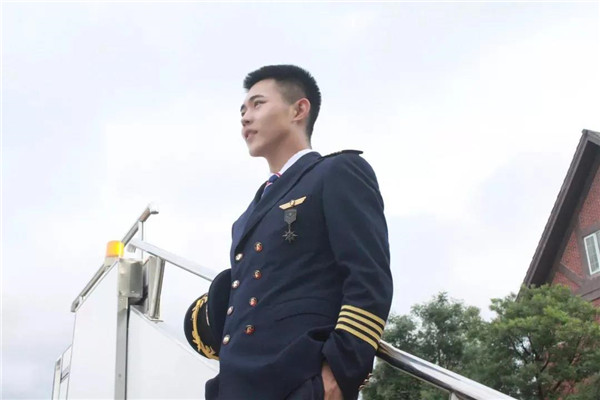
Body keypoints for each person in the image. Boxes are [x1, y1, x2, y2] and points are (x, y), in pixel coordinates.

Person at [186, 64, 393, 400]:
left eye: (258, 104)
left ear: (299, 109)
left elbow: (368, 279)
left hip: (301, 381)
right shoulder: (248, 214)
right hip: (238, 385)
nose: (245, 117)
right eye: (242, 110)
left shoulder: (336, 172)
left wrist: (339, 374)